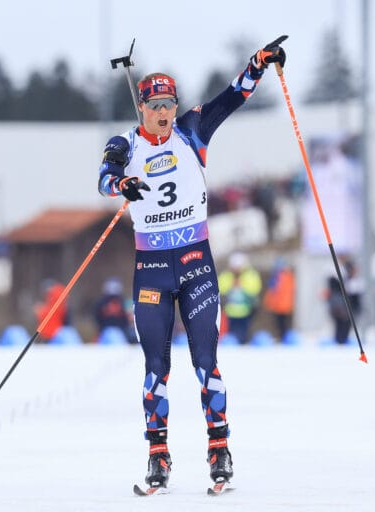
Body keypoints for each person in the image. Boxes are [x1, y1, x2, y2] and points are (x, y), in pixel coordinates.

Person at [97, 37, 286, 490]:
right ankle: (157, 458)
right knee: (155, 367)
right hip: (152, 270)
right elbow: (103, 178)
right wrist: (121, 183)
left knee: (206, 359)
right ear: (141, 108)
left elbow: (233, 96)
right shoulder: (124, 143)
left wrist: (258, 63)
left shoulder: (190, 130)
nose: (163, 112)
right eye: (155, 105)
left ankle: (219, 451)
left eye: (169, 103)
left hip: (197, 263)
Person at [219, 252, 263, 344]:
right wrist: (231, 286)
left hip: (246, 311)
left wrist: (242, 286)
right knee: (232, 334)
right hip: (229, 312)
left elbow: (254, 289)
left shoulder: (251, 275)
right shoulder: (226, 275)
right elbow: (220, 289)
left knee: (244, 333)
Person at [326, 256, 362, 344]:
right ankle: (339, 344)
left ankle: (342, 343)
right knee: (340, 330)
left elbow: (356, 299)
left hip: (349, 311)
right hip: (341, 310)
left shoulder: (355, 281)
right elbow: (336, 295)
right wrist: (341, 310)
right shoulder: (338, 280)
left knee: (346, 330)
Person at [93, 277, 137, 344]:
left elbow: (129, 318)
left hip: (121, 332)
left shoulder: (124, 302)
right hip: (106, 332)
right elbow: (97, 318)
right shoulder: (101, 303)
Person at [262, 257, 295, 342]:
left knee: (282, 323)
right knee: (279, 323)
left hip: (282, 305)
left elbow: (281, 291)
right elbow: (272, 291)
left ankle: (283, 337)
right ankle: (281, 337)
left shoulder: (284, 276)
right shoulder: (279, 276)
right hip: (278, 305)